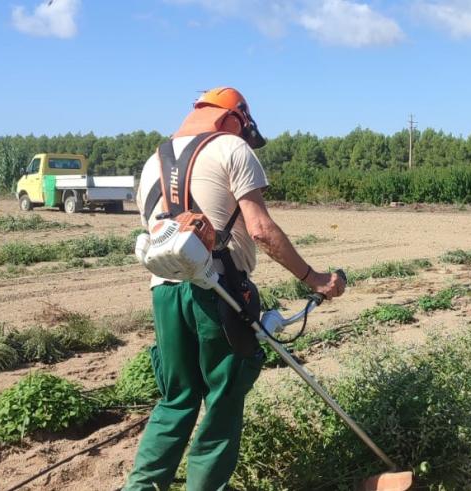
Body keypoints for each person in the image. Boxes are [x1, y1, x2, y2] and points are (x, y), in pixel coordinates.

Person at [124, 87, 346, 490]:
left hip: (165, 291)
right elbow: (260, 229)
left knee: (177, 399)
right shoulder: (231, 147)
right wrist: (314, 279)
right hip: (218, 293)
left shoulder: (153, 160)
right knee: (223, 400)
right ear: (233, 118)